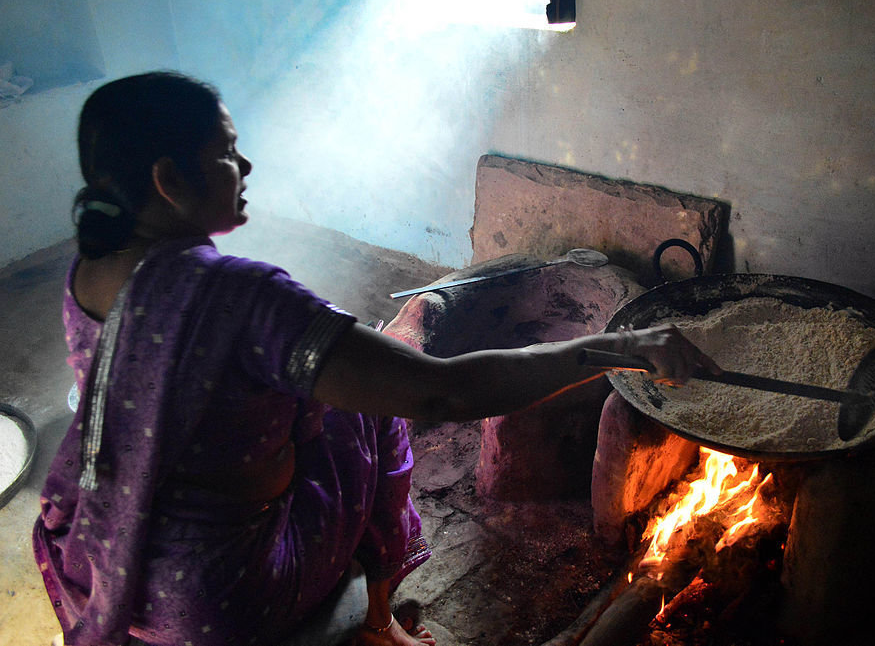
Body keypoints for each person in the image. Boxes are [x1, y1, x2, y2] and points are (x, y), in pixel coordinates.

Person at [33, 71, 720, 646]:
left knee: (335, 390)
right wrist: (619, 349)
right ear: (166, 179)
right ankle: (380, 623)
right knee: (372, 416)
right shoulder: (241, 296)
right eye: (228, 153)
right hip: (219, 593)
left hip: (113, 548)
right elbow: (442, 393)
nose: (245, 168)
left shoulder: (91, 273)